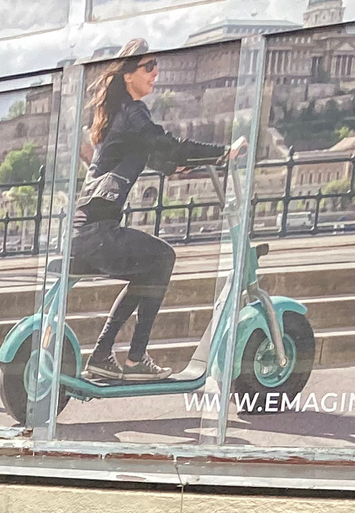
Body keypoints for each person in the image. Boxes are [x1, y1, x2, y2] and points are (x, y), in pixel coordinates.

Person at [73, 43, 242, 379]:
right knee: (163, 258)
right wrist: (223, 152)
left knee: (148, 269)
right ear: (129, 73)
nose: (155, 73)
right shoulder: (134, 113)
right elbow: (168, 145)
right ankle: (134, 359)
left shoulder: (119, 115)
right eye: (148, 66)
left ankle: (104, 355)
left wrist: (177, 165)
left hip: (86, 231)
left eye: (156, 66)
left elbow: (158, 155)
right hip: (98, 233)